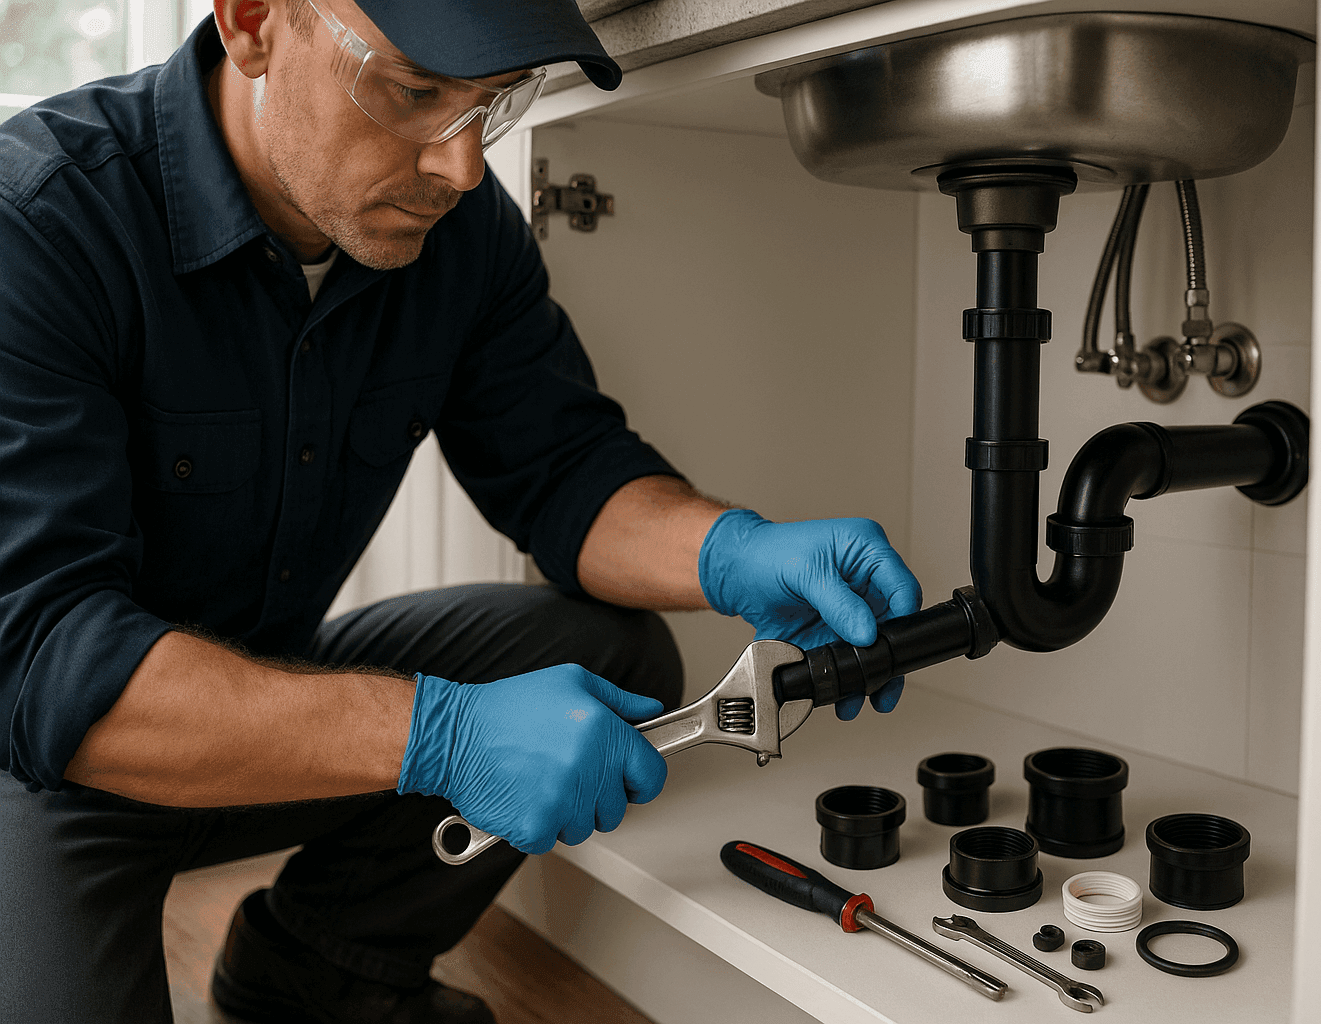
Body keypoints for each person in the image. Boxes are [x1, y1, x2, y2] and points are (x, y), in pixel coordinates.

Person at [0, 0, 922, 1021]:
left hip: (260, 722)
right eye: (414, 92)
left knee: (613, 653)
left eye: (491, 102)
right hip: (41, 772)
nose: (464, 167)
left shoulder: (462, 239)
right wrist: (439, 737)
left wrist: (734, 549)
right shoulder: (38, 221)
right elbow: (44, 662)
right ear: (256, 20)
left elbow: (564, 470)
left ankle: (312, 971)